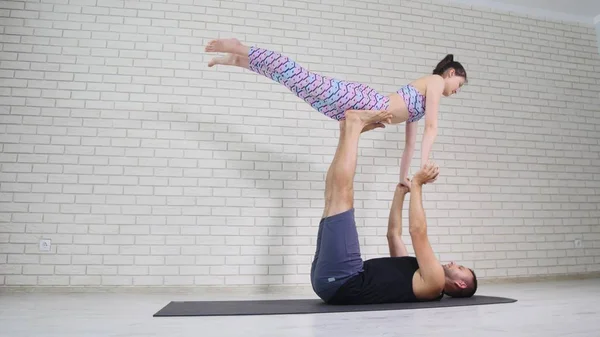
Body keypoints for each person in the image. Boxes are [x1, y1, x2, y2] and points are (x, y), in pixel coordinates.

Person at [205, 38, 468, 188]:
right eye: (459, 84)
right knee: (302, 78)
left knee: (296, 84)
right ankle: (242, 48)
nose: (457, 90)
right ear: (451, 73)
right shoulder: (435, 81)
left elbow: (409, 144)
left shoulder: (417, 110)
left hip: (351, 111)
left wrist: (404, 179)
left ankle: (241, 61)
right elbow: (432, 128)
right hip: (363, 99)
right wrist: (424, 166)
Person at [306, 108, 477, 305]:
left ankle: (353, 126)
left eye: (461, 268)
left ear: (460, 284)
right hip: (332, 282)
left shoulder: (435, 282)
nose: (455, 263)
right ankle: (347, 130)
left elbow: (417, 231)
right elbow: (393, 234)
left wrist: (418, 184)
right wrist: (400, 194)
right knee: (333, 198)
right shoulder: (418, 276)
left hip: (345, 279)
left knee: (342, 197)